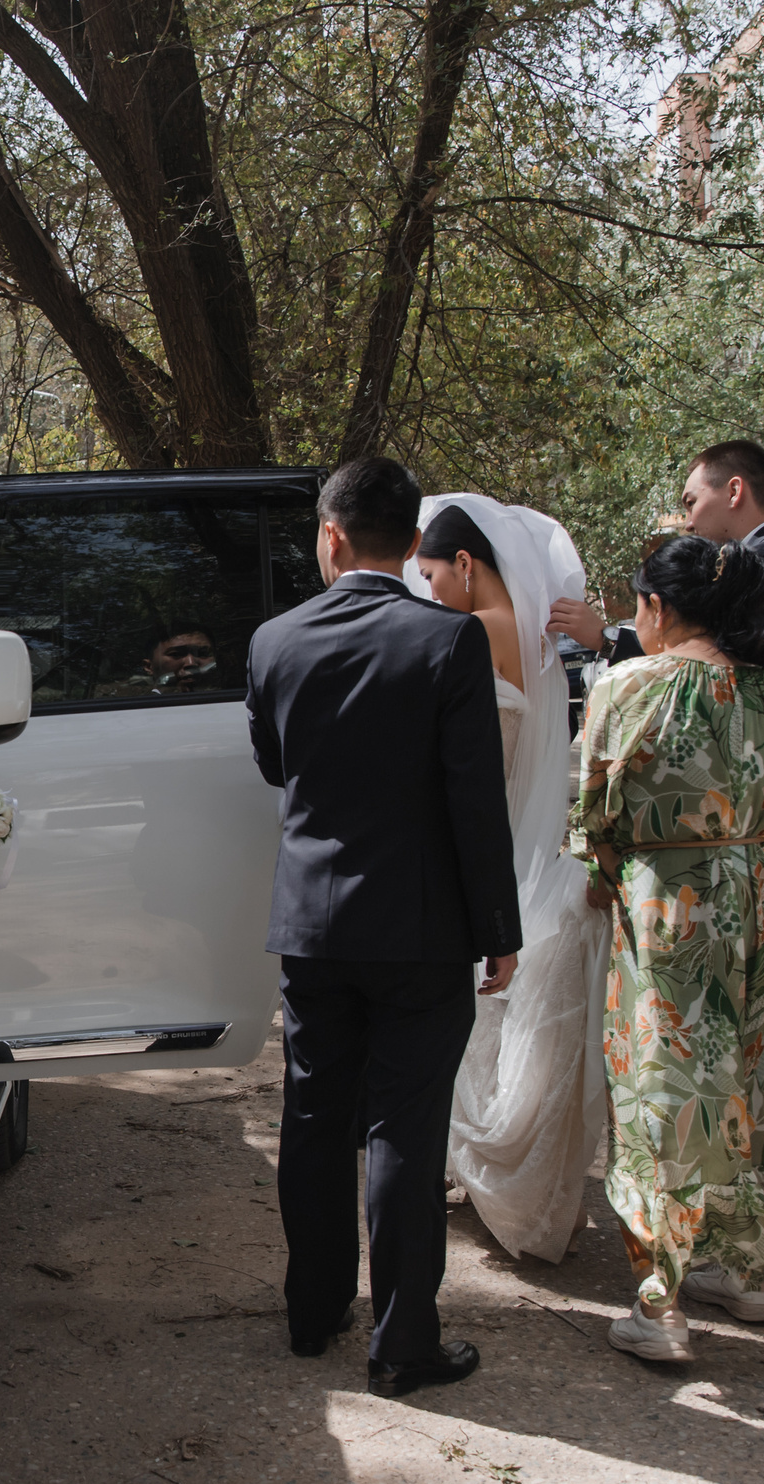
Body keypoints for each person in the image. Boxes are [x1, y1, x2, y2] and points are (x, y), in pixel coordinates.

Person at [246, 458, 522, 1398]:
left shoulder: (274, 640)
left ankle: (311, 1313)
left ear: (330, 536)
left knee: (314, 1117)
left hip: (314, 927)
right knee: (404, 1127)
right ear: (411, 545)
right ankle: (403, 1343)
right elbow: (474, 802)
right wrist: (500, 928)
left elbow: (273, 763)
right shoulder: (447, 642)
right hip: (421, 928)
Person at [548, 441, 764, 1192]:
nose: (688, 515)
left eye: (692, 500)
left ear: (735, 490)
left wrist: (613, 641)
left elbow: (714, 663)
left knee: (730, 1009)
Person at [573, 535, 764, 1362]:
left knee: (664, 1089)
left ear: (656, 609)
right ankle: (748, 1272)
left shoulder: (629, 686)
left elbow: (597, 813)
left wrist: (606, 874)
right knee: (747, 1082)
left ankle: (659, 1306)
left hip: (674, 908)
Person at [406, 496, 612, 1263]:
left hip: (477, 832)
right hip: (531, 837)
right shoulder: (539, 641)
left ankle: (471, 1167)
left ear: (465, 564)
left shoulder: (466, 634)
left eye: (430, 574)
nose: (426, 591)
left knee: (466, 1007)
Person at [105, 625, 220, 697]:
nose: (191, 663)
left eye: (203, 654)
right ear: (148, 667)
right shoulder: (129, 709)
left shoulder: (232, 700)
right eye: (176, 654)